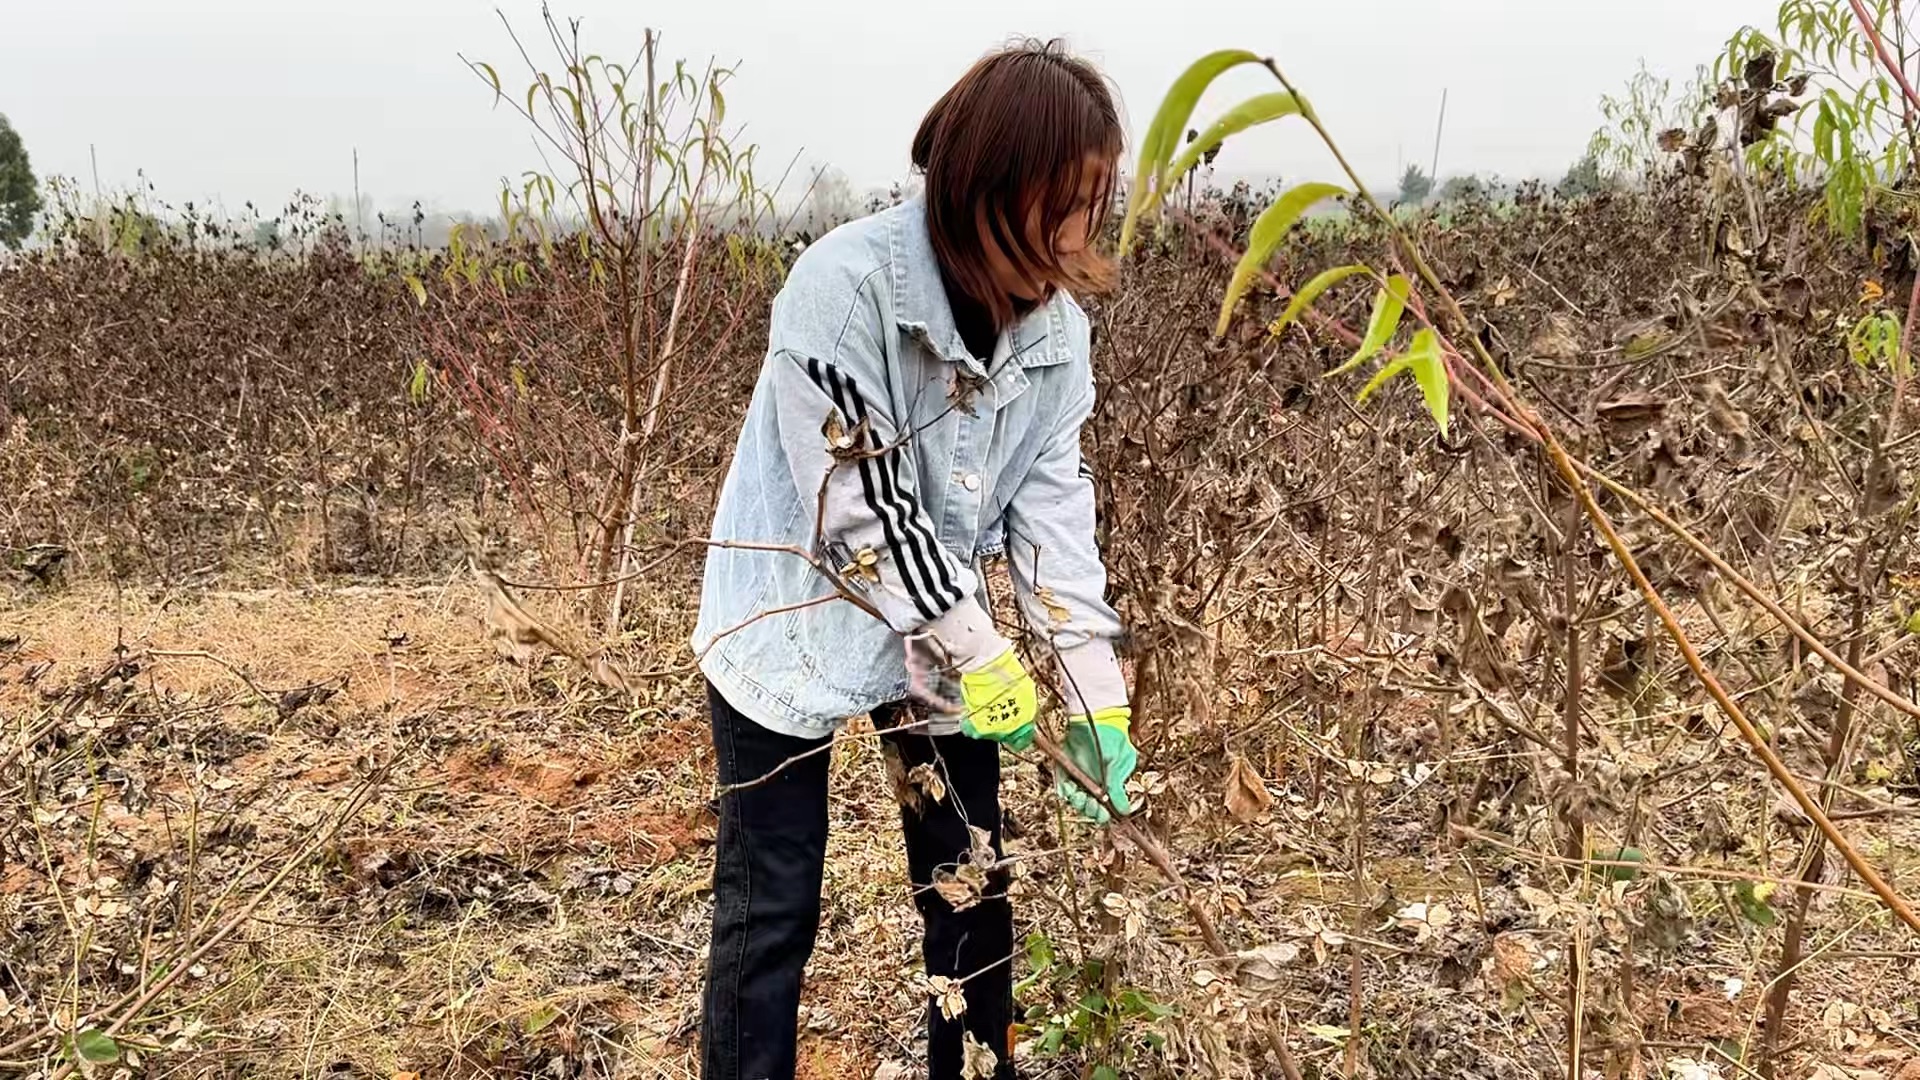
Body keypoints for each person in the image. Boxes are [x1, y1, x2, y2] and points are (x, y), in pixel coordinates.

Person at [691, 39, 1138, 1080]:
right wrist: (982, 648)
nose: (1085, 228)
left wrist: (1095, 693)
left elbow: (1053, 511)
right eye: (1070, 198)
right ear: (998, 188)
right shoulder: (840, 292)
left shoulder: (1054, 334)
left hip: (939, 639)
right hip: (789, 616)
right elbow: (859, 514)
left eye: (1097, 199)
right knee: (772, 908)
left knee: (971, 890)